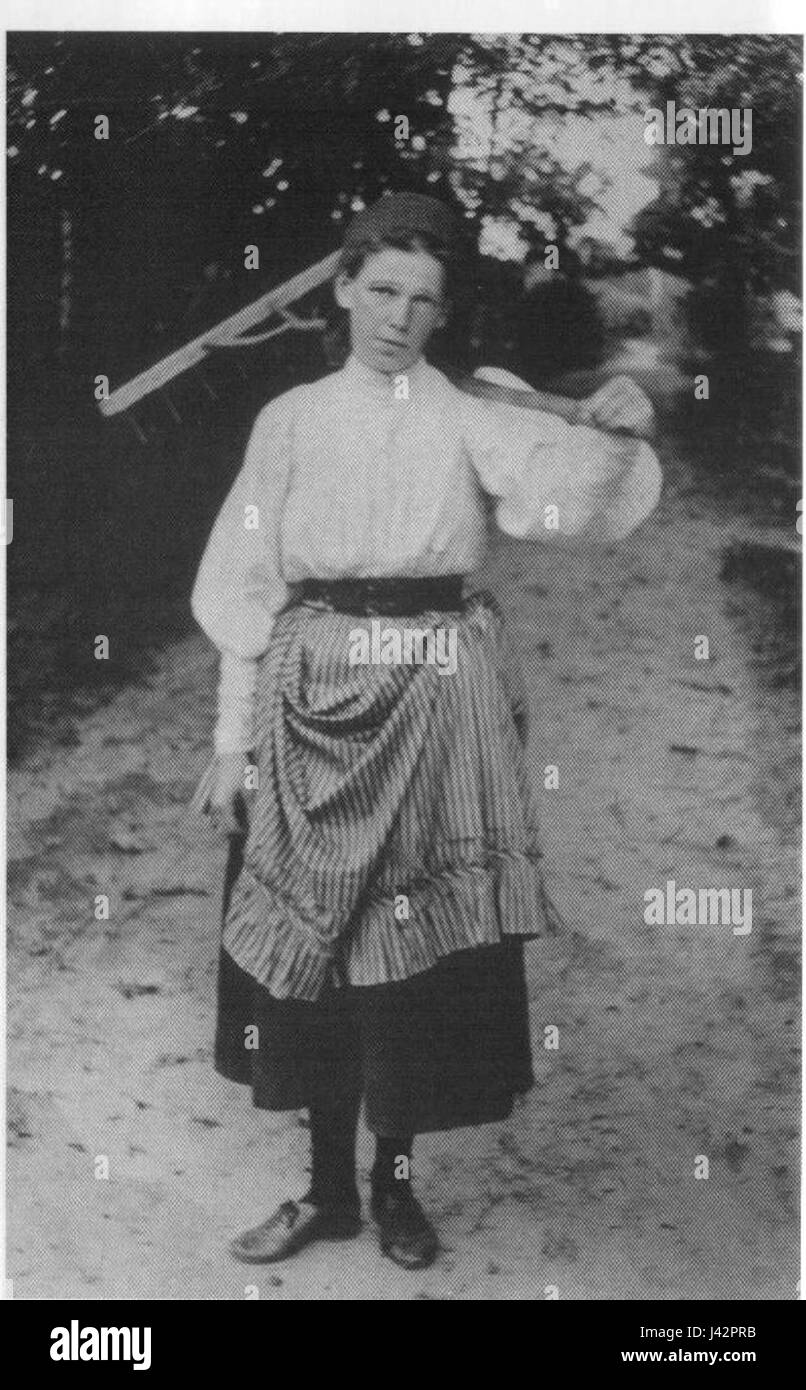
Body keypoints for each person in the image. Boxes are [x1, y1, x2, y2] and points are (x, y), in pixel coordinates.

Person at [191, 191, 661, 1271]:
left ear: (441, 315)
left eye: (424, 300)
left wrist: (605, 434)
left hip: (436, 698)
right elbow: (244, 589)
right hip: (311, 702)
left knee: (407, 966)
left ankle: (393, 1190)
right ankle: (322, 1192)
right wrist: (230, 741)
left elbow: (559, 503)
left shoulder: (468, 412)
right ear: (345, 290)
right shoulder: (292, 421)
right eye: (382, 290)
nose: (398, 316)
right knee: (316, 952)